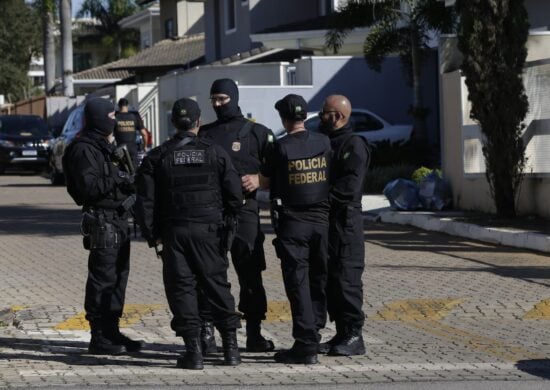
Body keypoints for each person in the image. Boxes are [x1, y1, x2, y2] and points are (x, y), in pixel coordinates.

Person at [134, 98, 243, 369]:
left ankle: (193, 353)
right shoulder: (215, 152)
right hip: (209, 231)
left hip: (175, 233)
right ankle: (231, 349)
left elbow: (145, 202)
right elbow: (235, 195)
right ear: (198, 122)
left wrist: (153, 236)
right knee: (217, 286)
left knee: (182, 289)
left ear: (173, 122)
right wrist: (227, 226)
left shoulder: (157, 156)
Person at [198, 78, 275, 353]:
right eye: (214, 100)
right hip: (212, 214)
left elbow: (280, 168)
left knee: (251, 274)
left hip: (245, 212)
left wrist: (260, 180)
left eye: (222, 99)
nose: (218, 105)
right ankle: (207, 334)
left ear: (234, 97)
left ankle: (254, 333)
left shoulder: (257, 133)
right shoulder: (204, 134)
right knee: (209, 274)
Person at [62, 97, 143, 355]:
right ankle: (98, 336)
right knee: (103, 279)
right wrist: (118, 179)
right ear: (97, 118)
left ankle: (112, 330)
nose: (114, 121)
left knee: (118, 278)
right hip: (103, 222)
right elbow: (89, 188)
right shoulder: (84, 149)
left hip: (119, 219)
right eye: (110, 116)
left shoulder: (105, 145)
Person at [265, 94, 332, 364]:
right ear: (304, 116)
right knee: (318, 278)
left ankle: (305, 344)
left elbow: (267, 181)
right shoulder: (324, 142)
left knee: (298, 282)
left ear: (283, 118)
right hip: (321, 222)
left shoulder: (280, 148)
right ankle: (313, 332)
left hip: (293, 222)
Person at [318, 95, 370, 356]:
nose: (320, 116)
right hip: (326, 221)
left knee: (347, 279)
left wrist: (317, 199)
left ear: (338, 116)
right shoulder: (323, 141)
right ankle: (341, 332)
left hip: (345, 221)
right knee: (331, 280)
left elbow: (349, 187)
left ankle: (354, 335)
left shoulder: (353, 145)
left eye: (324, 112)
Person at [114, 98, 148, 166]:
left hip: (120, 149)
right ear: (127, 105)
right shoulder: (135, 116)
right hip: (132, 149)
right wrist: (145, 146)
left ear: (118, 105)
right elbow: (144, 134)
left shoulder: (115, 117)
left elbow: (109, 134)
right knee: (134, 172)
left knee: (120, 173)